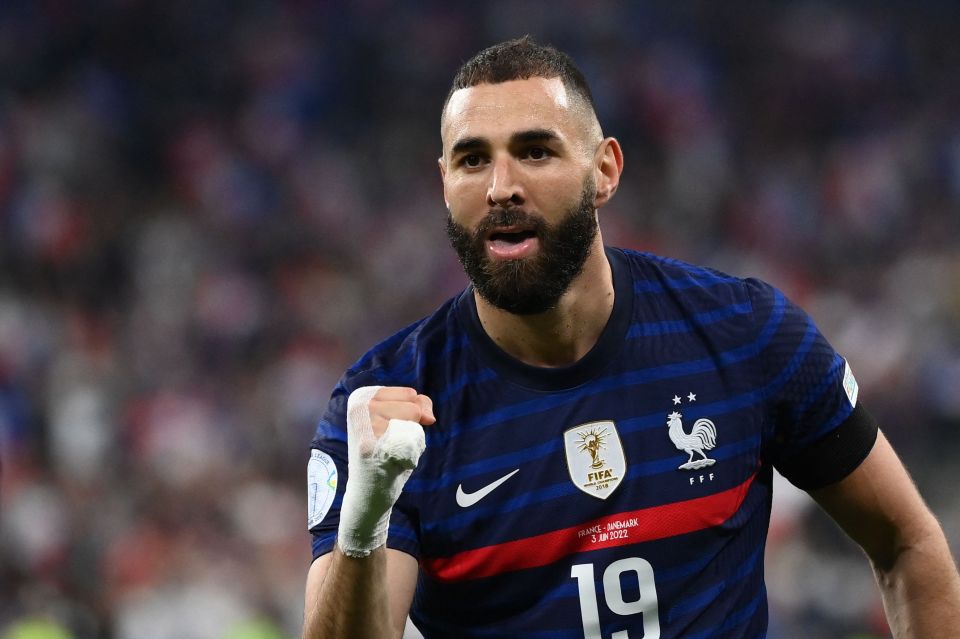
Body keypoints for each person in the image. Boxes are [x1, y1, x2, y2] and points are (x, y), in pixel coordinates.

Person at [301, 36, 960, 638]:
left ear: (605, 170)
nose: (502, 186)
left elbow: (908, 544)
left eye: (535, 150)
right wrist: (364, 523)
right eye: (473, 160)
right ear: (446, 185)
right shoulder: (387, 406)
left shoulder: (745, 336)